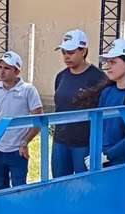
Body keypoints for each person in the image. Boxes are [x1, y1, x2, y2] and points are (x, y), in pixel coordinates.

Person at [77, 38, 125, 168]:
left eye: (113, 62)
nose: (108, 66)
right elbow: (98, 126)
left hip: (124, 164)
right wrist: (95, 153)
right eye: (108, 62)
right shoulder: (106, 92)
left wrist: (107, 155)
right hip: (99, 161)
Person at [0, 51, 43, 190]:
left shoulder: (28, 90)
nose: (2, 71)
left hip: (17, 150)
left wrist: (25, 141)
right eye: (0, 67)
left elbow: (38, 119)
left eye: (7, 68)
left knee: (19, 189)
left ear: (17, 71)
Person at [51, 29, 106, 176]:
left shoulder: (98, 78)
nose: (66, 56)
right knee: (59, 183)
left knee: (84, 184)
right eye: (63, 52)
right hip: (60, 141)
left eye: (71, 52)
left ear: (84, 51)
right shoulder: (61, 76)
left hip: (85, 143)